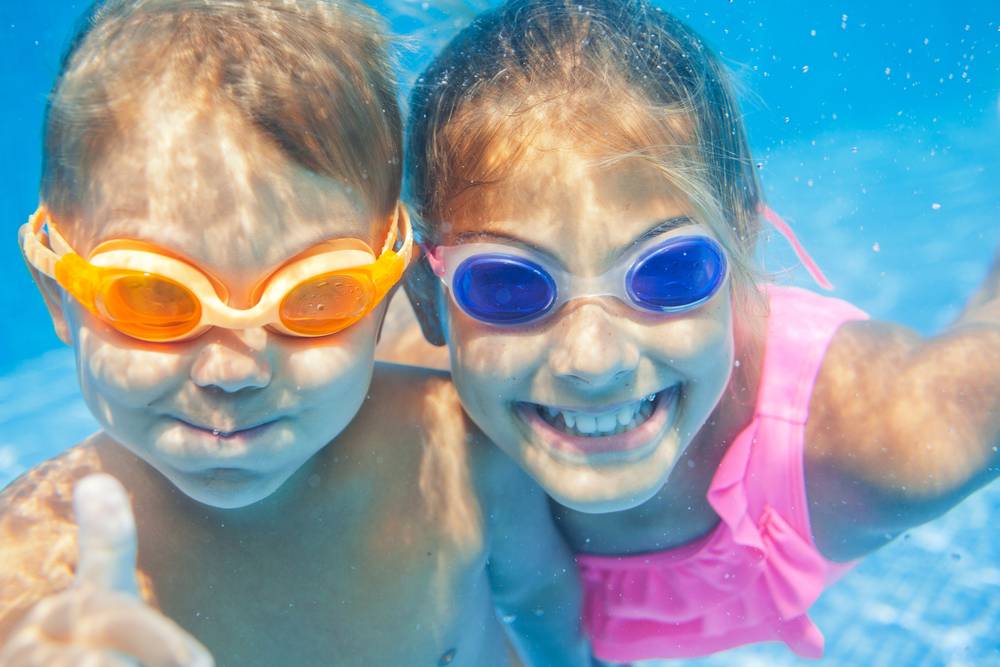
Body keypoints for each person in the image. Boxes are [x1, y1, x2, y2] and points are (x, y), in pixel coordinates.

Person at [395, 0, 1000, 662]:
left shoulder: (878, 438)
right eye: (508, 285)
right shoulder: (402, 444)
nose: (593, 361)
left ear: (740, 242)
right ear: (429, 296)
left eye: (668, 271)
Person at [0, 2, 587, 665]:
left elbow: (556, 627)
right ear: (56, 292)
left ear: (387, 291)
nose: (233, 369)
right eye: (155, 296)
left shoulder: (462, 455)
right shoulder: (33, 568)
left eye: (315, 296)